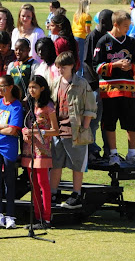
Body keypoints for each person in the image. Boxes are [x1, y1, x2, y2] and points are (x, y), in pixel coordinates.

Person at [93, 10, 135, 167]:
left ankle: (132, 154)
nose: (128, 28)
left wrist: (131, 67)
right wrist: (116, 65)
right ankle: (113, 155)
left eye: (129, 25)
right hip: (109, 91)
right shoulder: (103, 42)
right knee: (109, 122)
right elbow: (97, 67)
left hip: (128, 90)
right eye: (125, 25)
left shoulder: (131, 42)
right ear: (115, 24)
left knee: (132, 122)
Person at [49, 51, 96, 209]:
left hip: (75, 131)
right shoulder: (55, 83)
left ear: (71, 66)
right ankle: (53, 193)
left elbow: (90, 107)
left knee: (77, 164)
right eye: (58, 67)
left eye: (63, 67)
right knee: (56, 163)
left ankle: (76, 194)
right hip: (57, 131)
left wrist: (85, 127)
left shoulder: (81, 84)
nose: (60, 70)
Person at [21, 75, 59, 229]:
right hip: (29, 148)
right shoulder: (29, 104)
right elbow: (25, 124)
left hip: (42, 149)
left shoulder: (48, 106)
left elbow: (55, 130)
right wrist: (25, 132)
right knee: (34, 184)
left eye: (34, 87)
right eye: (30, 87)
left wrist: (39, 132)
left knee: (43, 183)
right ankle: (37, 218)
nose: (31, 90)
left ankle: (47, 218)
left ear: (42, 88)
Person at [0, 75, 23, 229]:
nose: (0, 88)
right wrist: (3, 127)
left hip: (9, 147)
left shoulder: (16, 106)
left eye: (2, 86)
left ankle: (10, 216)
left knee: (9, 181)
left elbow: (13, 130)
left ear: (10, 87)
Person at [83, 9, 113, 163]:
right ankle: (91, 151)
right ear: (103, 21)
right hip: (94, 85)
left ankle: (109, 151)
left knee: (107, 119)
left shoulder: (108, 37)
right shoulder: (92, 36)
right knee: (93, 120)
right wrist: (97, 79)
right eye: (111, 22)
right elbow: (87, 62)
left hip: (107, 86)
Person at [72, 0, 92, 76]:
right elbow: (87, 29)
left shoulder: (75, 15)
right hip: (81, 37)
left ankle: (75, 72)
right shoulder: (87, 16)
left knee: (76, 56)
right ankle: (80, 75)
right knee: (81, 57)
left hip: (74, 36)